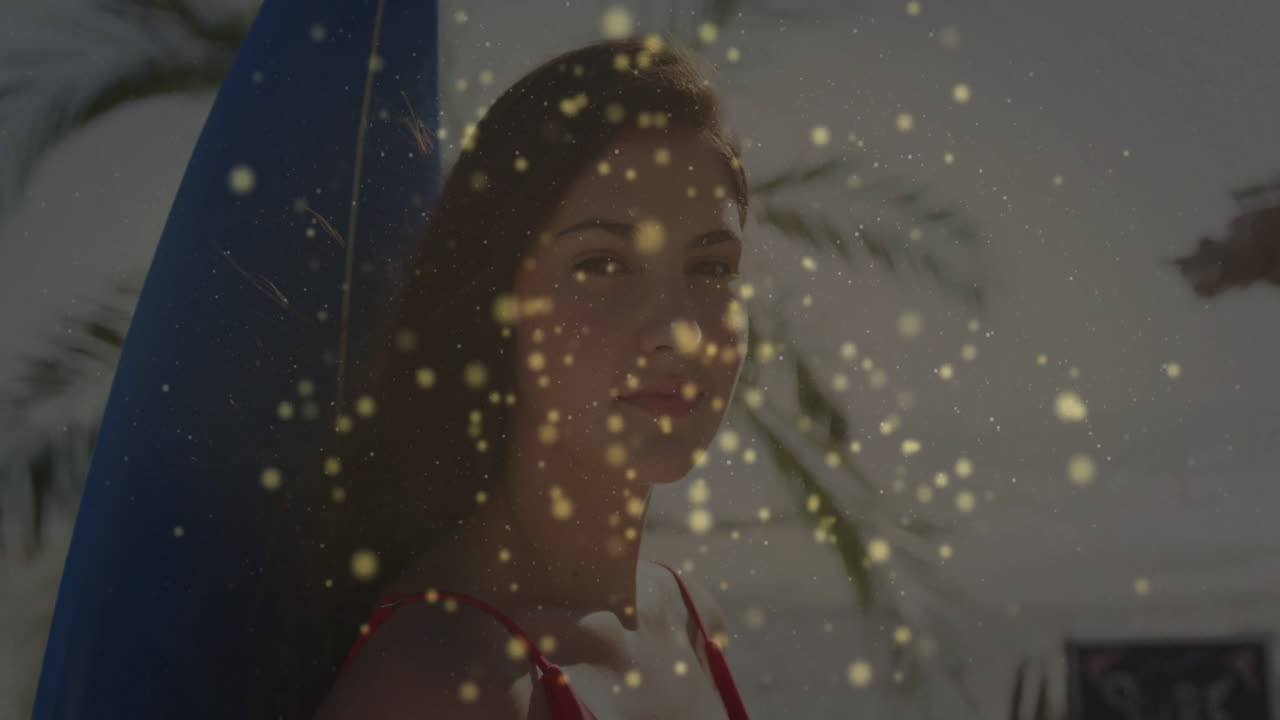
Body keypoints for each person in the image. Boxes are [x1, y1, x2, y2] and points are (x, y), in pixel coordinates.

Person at [295, 34, 755, 719]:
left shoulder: (690, 623)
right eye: (602, 264)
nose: (681, 331)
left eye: (712, 267)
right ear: (496, 307)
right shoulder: (443, 684)